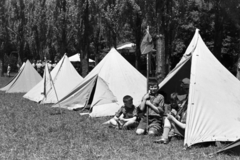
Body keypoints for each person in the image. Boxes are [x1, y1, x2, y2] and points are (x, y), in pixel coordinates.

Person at [154, 78, 190, 144]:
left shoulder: (190, 105)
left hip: (187, 132)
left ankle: (165, 138)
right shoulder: (187, 99)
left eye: (184, 87)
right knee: (168, 117)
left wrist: (173, 118)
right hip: (185, 129)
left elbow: (184, 126)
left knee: (168, 118)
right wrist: (177, 114)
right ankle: (165, 137)